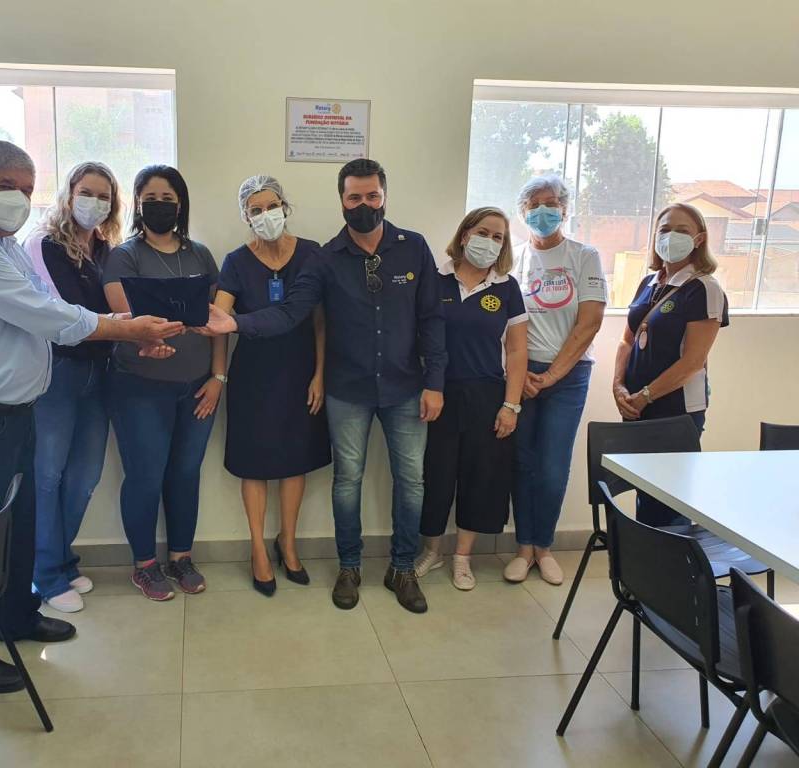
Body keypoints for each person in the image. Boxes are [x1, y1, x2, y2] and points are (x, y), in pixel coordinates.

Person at [0, 140, 183, 693]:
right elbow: (44, 314)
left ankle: (16, 614)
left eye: (27, 189)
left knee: (17, 525)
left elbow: (53, 307)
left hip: (10, 411)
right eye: (6, 187)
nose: (18, 198)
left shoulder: (2, 243)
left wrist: (127, 334)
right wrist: (126, 329)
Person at [201, 158, 446, 614]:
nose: (364, 204)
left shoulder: (413, 248)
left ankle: (402, 568)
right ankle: (349, 567)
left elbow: (432, 318)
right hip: (347, 388)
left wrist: (435, 382)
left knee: (411, 481)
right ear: (341, 201)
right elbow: (292, 312)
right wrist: (236, 322)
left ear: (384, 196)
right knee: (347, 481)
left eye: (372, 196)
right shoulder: (326, 258)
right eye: (354, 197)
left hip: (406, 387)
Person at [103, 165, 222, 602]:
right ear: (137, 204)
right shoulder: (124, 256)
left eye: (168, 198)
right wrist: (147, 339)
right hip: (140, 386)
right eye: (150, 198)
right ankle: (145, 565)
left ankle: (181, 558)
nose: (159, 206)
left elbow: (219, 322)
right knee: (145, 476)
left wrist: (218, 377)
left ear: (181, 204)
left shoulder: (201, 255)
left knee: (186, 474)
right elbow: (126, 322)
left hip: (197, 387)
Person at [215, 175, 331, 597]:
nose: (266, 215)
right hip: (253, 376)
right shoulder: (235, 262)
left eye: (272, 206)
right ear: (246, 217)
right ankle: (258, 549)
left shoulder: (312, 254)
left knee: (295, 460)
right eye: (256, 210)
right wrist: (218, 376)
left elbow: (320, 320)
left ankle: (289, 541)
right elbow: (219, 323)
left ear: (285, 206)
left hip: (301, 371)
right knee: (254, 463)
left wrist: (320, 374)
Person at [22, 162, 124, 613]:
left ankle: (62, 561)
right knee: (47, 476)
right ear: (68, 193)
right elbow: (68, 311)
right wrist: (126, 326)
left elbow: (117, 306)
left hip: (99, 372)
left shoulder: (107, 250)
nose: (94, 203)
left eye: (104, 196)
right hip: (57, 373)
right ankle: (44, 575)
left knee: (84, 477)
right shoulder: (44, 244)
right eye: (87, 192)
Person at [416, 207, 528, 591]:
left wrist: (511, 405)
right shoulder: (435, 280)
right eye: (483, 233)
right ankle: (432, 550)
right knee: (436, 475)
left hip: (487, 395)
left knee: (480, 476)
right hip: (438, 393)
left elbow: (517, 351)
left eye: (498, 237)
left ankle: (462, 557)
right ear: (465, 235)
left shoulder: (507, 288)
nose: (490, 242)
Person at [507, 174, 607, 586]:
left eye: (551, 204)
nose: (543, 211)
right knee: (521, 462)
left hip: (567, 376)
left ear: (565, 209)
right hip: (521, 374)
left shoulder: (584, 256)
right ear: (522, 213)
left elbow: (590, 322)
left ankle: (544, 547)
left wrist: (551, 376)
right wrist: (522, 375)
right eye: (534, 205)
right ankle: (523, 547)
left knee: (552, 465)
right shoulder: (513, 258)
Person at [613, 202, 727, 526]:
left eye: (682, 230)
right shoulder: (649, 283)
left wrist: (646, 395)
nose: (671, 236)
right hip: (635, 407)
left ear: (699, 239)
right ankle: (644, 559)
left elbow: (693, 361)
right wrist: (619, 386)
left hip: (676, 411)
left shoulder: (704, 288)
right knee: (645, 494)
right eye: (664, 230)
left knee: (669, 504)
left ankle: (672, 559)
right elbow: (627, 341)